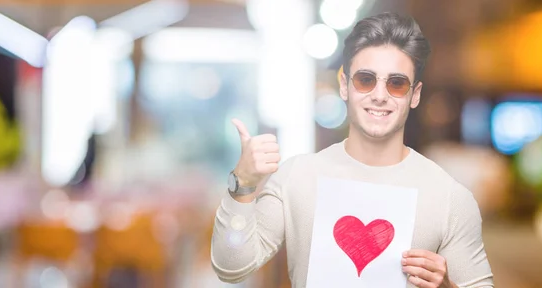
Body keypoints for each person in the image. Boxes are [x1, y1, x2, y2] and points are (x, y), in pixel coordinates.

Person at [211, 12, 494, 288]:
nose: (380, 96)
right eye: (366, 80)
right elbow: (231, 267)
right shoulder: (298, 177)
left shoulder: (449, 198)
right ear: (345, 86)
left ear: (415, 94)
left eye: (396, 83)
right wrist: (242, 185)